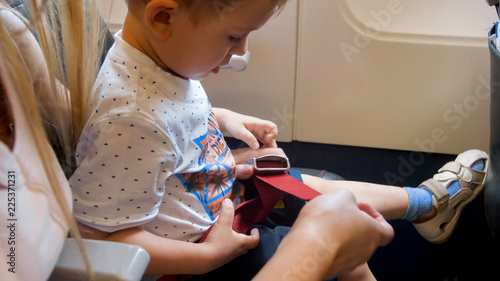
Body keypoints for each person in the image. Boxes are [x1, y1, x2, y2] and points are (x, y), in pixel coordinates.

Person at [67, 0, 488, 280]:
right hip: (201, 252)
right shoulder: (130, 115)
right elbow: (102, 237)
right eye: (233, 37)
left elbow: (173, 112)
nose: (240, 51)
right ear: (163, 17)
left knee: (309, 186)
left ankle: (425, 206)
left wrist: (227, 120)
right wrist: (210, 256)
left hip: (217, 194)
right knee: (344, 250)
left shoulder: (155, 66)